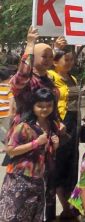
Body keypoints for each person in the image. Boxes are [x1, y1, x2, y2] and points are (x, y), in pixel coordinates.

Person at [0, 88, 60, 222]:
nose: (44, 109)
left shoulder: (51, 125)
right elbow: (10, 150)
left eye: (48, 105)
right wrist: (35, 143)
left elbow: (45, 152)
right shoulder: (24, 126)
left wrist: (54, 146)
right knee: (14, 215)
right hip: (19, 177)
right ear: (33, 106)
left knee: (33, 214)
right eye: (40, 106)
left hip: (38, 178)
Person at [49, 45, 81, 219]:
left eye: (71, 59)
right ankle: (63, 209)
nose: (69, 62)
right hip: (59, 125)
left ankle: (68, 208)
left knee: (71, 168)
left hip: (73, 127)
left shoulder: (73, 78)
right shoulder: (50, 77)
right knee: (58, 169)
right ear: (55, 62)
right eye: (65, 59)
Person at [10, 27, 58, 125]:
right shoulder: (25, 80)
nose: (48, 60)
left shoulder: (49, 79)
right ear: (33, 57)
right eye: (44, 56)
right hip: (26, 131)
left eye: (51, 57)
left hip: (47, 130)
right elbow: (23, 72)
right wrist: (30, 45)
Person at [0, 67, 14, 149]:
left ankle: (5, 146)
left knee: (3, 132)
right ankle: (9, 146)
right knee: (9, 131)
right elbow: (11, 99)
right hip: (6, 113)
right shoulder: (9, 88)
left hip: (2, 113)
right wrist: (10, 111)